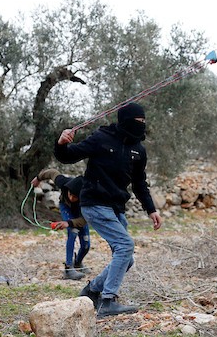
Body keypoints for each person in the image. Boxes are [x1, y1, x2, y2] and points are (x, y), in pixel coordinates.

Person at [53, 102, 163, 318]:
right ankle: (107, 301)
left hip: (115, 207)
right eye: (137, 121)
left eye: (143, 122)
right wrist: (61, 144)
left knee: (126, 258)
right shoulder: (101, 138)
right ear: (125, 121)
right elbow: (68, 156)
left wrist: (151, 209)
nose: (141, 125)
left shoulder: (138, 150)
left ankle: (92, 290)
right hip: (94, 203)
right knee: (125, 246)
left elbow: (140, 183)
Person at [31, 169, 91, 280]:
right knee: (73, 232)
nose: (72, 198)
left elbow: (85, 219)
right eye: (70, 195)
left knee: (86, 244)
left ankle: (78, 263)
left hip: (81, 214)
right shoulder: (63, 182)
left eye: (76, 197)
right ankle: (68, 269)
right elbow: (51, 172)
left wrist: (68, 223)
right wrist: (38, 178)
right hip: (66, 207)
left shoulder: (89, 198)